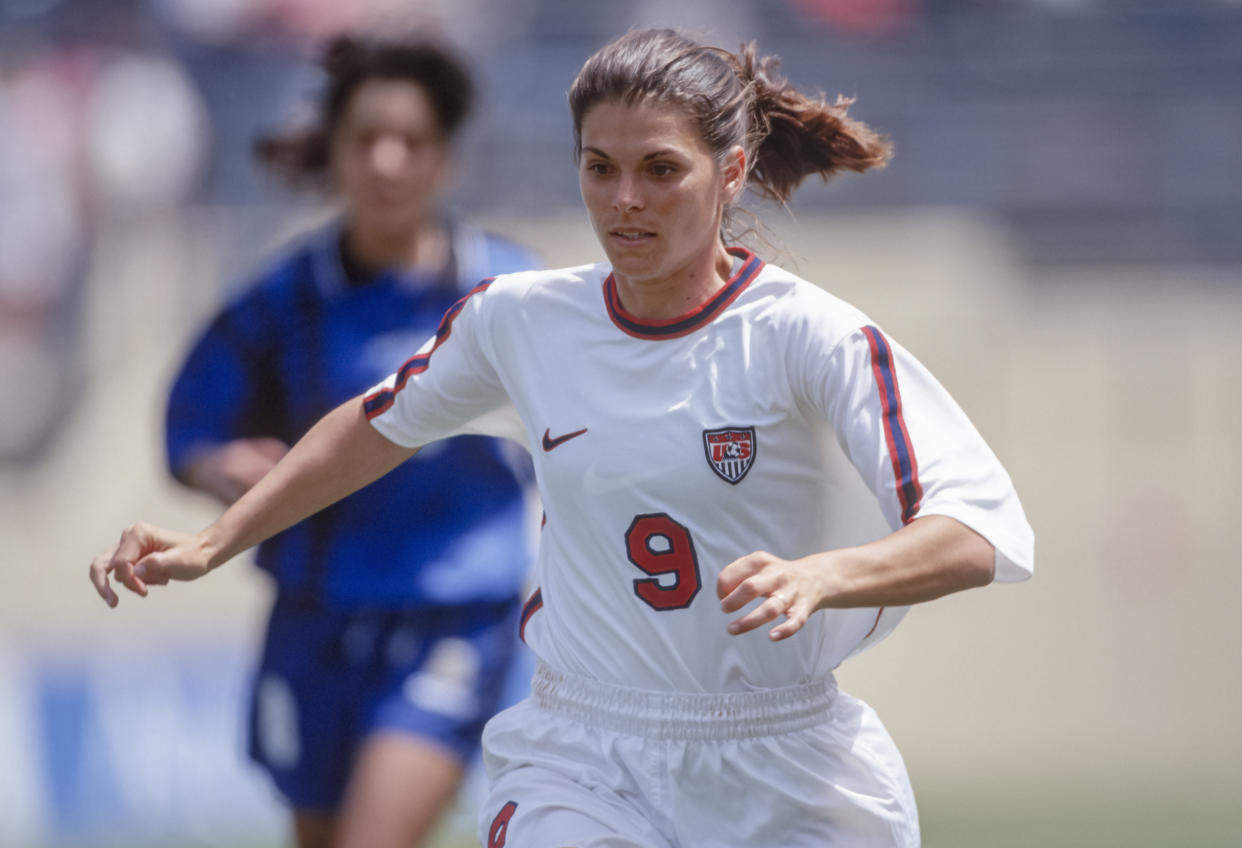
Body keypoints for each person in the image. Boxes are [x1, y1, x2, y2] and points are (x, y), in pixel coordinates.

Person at [92, 27, 1034, 848]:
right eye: (599, 167)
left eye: (660, 170)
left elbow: (978, 530)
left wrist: (824, 574)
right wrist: (215, 542)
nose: (625, 198)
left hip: (788, 764)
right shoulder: (518, 321)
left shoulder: (810, 336)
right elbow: (375, 429)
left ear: (732, 172)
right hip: (587, 756)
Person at [158, 34, 540, 848]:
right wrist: (213, 463)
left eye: (412, 141)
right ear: (333, 151)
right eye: (366, 139)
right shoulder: (279, 301)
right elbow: (188, 421)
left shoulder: (513, 297)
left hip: (457, 623)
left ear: (448, 160)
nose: (388, 161)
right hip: (316, 623)